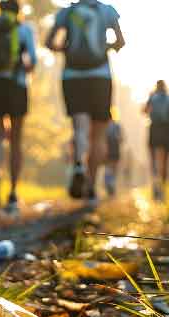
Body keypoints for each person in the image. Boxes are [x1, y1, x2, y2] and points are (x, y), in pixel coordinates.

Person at [45, 0, 125, 203]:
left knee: (80, 127)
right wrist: (105, 46)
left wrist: (65, 49)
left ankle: (79, 163)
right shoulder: (106, 11)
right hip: (100, 76)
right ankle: (91, 185)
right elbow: (120, 41)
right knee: (98, 135)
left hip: (72, 76)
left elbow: (49, 42)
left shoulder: (67, 12)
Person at [0, 0, 37, 213]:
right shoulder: (24, 30)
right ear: (18, 11)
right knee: (16, 139)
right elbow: (33, 62)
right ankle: (12, 192)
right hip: (16, 85)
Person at [144, 80, 169, 201]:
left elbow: (144, 111)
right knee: (166, 159)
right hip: (166, 129)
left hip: (154, 129)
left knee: (153, 158)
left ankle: (155, 184)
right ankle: (163, 187)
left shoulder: (151, 97)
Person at [104, 117, 124, 197]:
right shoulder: (117, 125)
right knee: (114, 167)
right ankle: (111, 184)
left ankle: (108, 183)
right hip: (115, 147)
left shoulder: (105, 124)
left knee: (108, 166)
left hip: (108, 147)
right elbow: (121, 138)